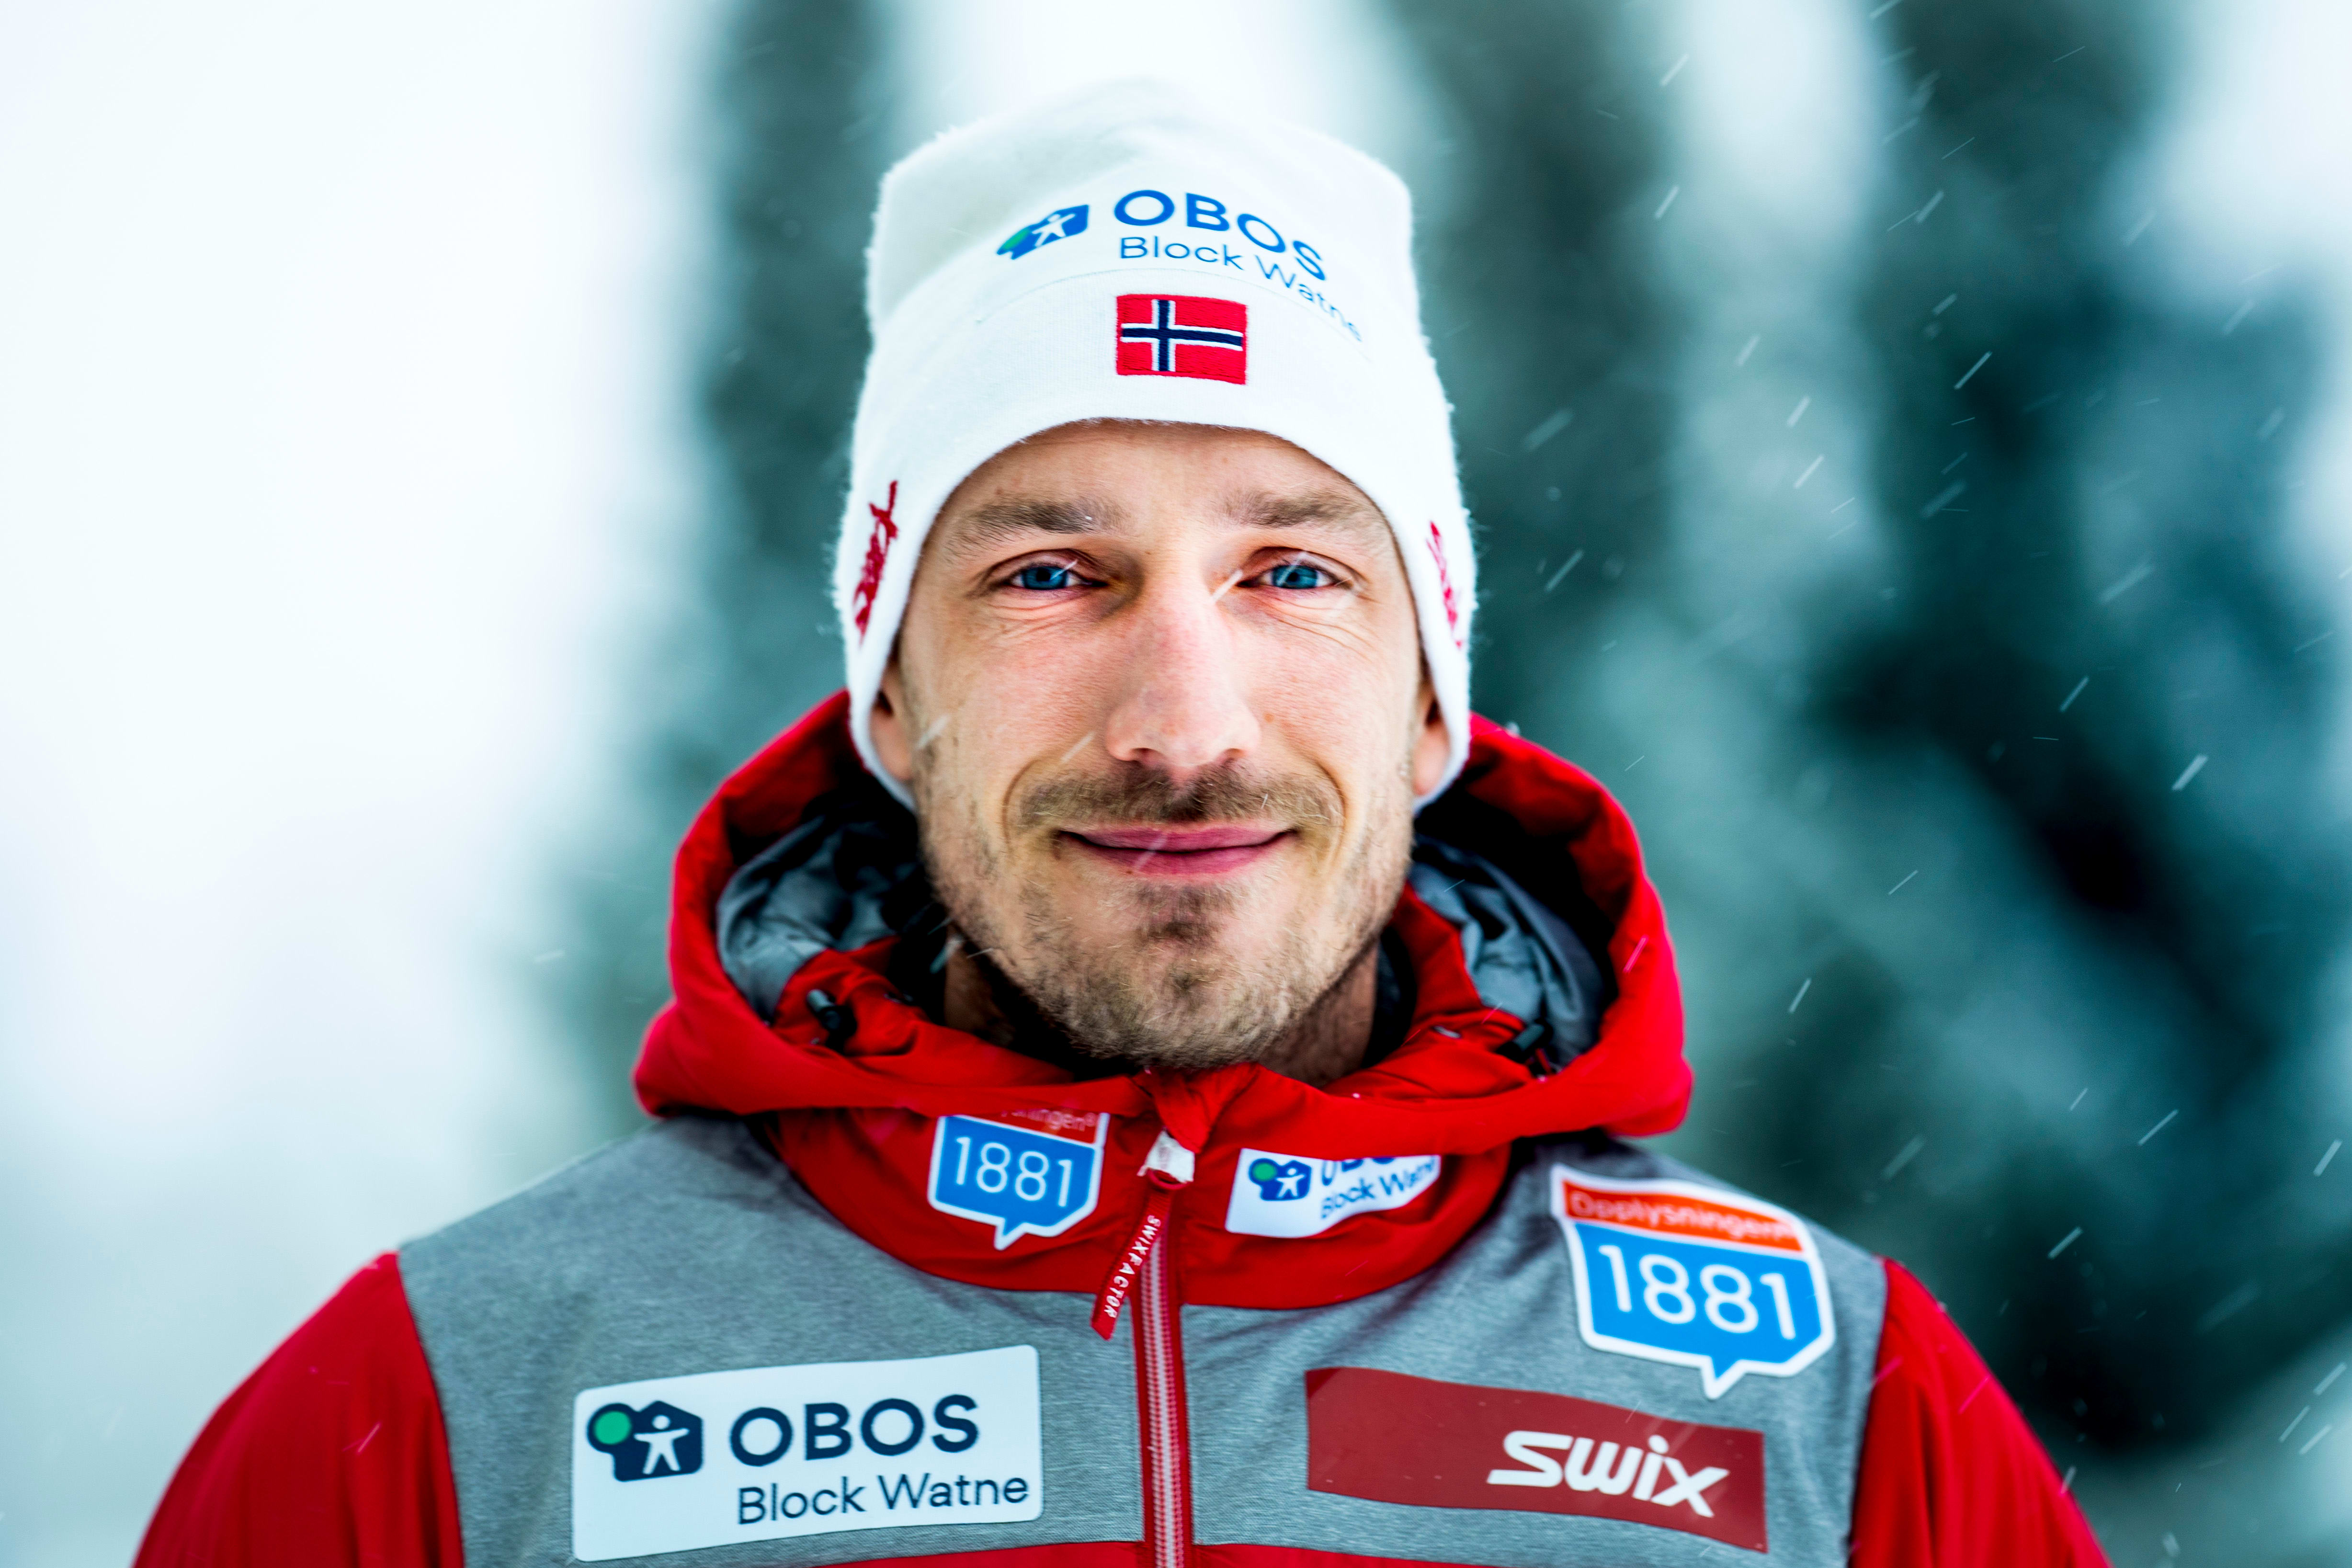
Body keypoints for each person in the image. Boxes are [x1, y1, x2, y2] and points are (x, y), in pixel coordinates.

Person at [137, 81, 2108, 1568]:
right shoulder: (453, 1401)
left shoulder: (1831, 1410)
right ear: (887, 696)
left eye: (1293, 574)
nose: (1184, 725)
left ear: (1435, 692)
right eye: (1051, 577)